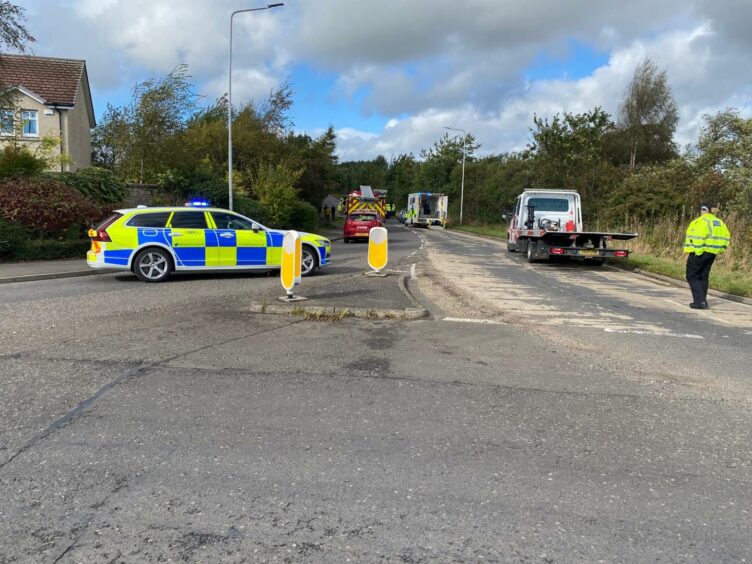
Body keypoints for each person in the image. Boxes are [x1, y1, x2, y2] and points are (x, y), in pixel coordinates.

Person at [683, 203, 731, 309]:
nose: (701, 211)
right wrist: (720, 250)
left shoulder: (700, 221)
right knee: (703, 276)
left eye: (701, 209)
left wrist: (698, 251)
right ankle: (702, 300)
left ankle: (700, 302)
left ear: (705, 210)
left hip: (699, 252)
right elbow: (726, 237)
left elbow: (698, 237)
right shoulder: (719, 222)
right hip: (712, 253)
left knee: (691, 275)